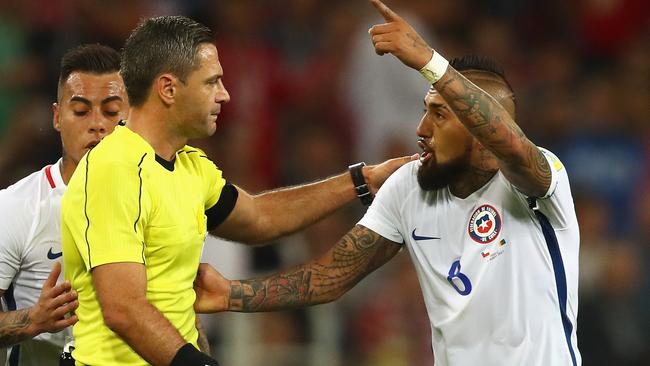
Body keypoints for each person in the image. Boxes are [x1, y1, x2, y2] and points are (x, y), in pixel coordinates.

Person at [192, 1, 582, 365]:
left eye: (440, 116)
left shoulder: (540, 181)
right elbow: (332, 276)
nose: (421, 129)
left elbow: (510, 143)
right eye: (424, 111)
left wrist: (430, 62)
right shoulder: (409, 187)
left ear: (480, 131)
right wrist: (231, 293)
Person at [60, 15, 413, 366]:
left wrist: (362, 180)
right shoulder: (113, 169)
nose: (224, 95)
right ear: (168, 89)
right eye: (211, 82)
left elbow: (259, 217)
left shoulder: (191, 167)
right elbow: (123, 309)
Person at [0, 44, 128, 366]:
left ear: (129, 119)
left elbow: (182, 316)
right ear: (57, 117)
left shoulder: (156, 202)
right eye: (82, 111)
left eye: (111, 112)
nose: (97, 124)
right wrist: (34, 320)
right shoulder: (16, 207)